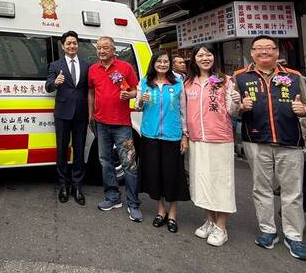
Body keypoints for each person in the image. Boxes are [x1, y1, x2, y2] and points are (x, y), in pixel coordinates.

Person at [234, 35, 306, 261]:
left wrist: (303, 110)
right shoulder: (240, 77)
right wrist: (240, 107)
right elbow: (231, 109)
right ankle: (268, 230)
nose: (264, 52)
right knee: (261, 188)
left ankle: (294, 236)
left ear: (278, 52)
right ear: (252, 53)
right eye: (259, 48)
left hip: (290, 141)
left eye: (269, 48)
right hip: (256, 140)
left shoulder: (295, 77)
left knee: (293, 192)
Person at [182, 44, 240, 247]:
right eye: (200, 54)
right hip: (197, 138)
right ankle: (209, 220)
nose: (204, 58)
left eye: (208, 54)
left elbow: (233, 111)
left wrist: (237, 101)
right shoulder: (189, 82)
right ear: (194, 59)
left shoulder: (225, 81)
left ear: (214, 58)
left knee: (221, 183)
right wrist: (185, 134)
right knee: (203, 181)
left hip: (220, 138)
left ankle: (221, 226)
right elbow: (184, 111)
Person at [88, 36, 141, 221]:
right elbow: (91, 92)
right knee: (105, 161)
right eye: (99, 48)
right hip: (101, 123)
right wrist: (90, 115)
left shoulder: (125, 67)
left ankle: (133, 204)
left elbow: (136, 89)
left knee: (129, 163)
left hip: (122, 124)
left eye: (105, 48)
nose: (101, 51)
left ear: (113, 50)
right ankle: (112, 197)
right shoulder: (93, 69)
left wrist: (130, 95)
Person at [136, 50, 188, 232]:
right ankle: (161, 210)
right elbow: (137, 106)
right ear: (153, 63)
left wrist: (185, 135)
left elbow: (184, 112)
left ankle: (173, 213)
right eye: (159, 61)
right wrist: (141, 100)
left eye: (166, 61)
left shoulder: (178, 83)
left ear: (170, 64)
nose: (163, 64)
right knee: (156, 174)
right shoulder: (144, 82)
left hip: (172, 136)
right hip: (150, 136)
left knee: (172, 175)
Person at [44, 30, 90, 205]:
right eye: (68, 43)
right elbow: (48, 87)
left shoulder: (87, 65)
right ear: (63, 46)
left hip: (81, 114)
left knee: (79, 150)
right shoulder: (55, 66)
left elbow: (90, 90)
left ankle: (77, 186)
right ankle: (63, 185)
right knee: (62, 150)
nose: (72, 46)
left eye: (75, 43)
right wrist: (55, 82)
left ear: (78, 45)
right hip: (62, 114)